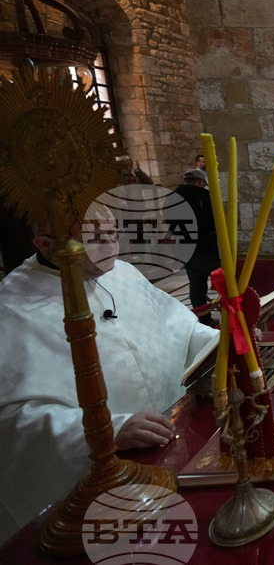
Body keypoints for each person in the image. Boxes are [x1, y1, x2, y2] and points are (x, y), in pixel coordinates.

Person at [0, 210, 218, 542]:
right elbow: (14, 421)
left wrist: (223, 345)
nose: (113, 247)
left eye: (114, 234)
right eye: (97, 240)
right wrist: (108, 430)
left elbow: (183, 332)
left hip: (173, 444)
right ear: (46, 244)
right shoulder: (12, 307)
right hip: (97, 489)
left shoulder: (124, 274)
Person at [173, 168, 221, 325]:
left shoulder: (172, 197)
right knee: (221, 283)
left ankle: (204, 318)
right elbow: (211, 222)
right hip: (205, 249)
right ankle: (230, 316)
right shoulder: (203, 197)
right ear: (201, 182)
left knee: (196, 285)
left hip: (185, 250)